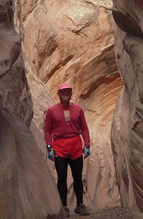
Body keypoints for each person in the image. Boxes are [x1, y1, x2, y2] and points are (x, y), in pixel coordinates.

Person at [44, 83, 90, 217]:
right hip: (59, 147)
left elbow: (85, 128)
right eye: (63, 91)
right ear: (58, 93)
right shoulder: (51, 111)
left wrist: (87, 145)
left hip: (75, 145)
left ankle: (80, 205)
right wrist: (49, 147)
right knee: (62, 177)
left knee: (77, 177)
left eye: (68, 90)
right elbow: (47, 130)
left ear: (71, 92)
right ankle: (64, 207)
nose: (65, 93)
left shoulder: (78, 109)